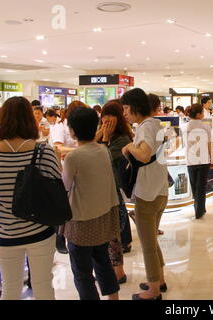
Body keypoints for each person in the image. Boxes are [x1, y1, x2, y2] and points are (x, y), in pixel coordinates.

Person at [0, 96, 61, 300]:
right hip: (40, 229)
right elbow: (57, 185)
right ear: (30, 119)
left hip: (6, 232)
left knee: (10, 288)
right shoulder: (44, 152)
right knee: (44, 285)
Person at [62, 106, 120, 300]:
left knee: (82, 273)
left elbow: (65, 186)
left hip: (81, 221)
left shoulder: (73, 157)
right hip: (102, 216)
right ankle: (114, 297)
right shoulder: (103, 150)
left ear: (72, 131)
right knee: (103, 262)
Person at [121, 88, 168, 300]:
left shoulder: (146, 126)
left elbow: (144, 154)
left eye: (126, 108)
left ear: (135, 107)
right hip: (159, 189)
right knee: (151, 240)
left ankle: (153, 289)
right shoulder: (155, 124)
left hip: (147, 193)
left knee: (147, 243)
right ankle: (159, 279)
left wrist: (130, 146)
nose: (124, 113)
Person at [95, 100, 134, 283]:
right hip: (101, 189)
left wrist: (104, 138)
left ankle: (118, 272)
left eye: (111, 116)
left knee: (112, 234)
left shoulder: (122, 139)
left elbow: (104, 160)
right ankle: (114, 269)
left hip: (112, 188)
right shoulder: (103, 134)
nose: (107, 120)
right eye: (104, 116)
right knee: (109, 233)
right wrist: (101, 134)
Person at [51, 101, 86, 254]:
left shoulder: (78, 127)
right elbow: (57, 148)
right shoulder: (61, 127)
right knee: (63, 203)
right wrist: (79, 149)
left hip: (79, 168)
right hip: (64, 168)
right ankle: (59, 238)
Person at [186, 104, 213, 219]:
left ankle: (198, 208)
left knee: (194, 187)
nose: (203, 115)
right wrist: (212, 159)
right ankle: (200, 210)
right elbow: (209, 145)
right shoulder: (206, 127)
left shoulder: (185, 127)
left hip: (191, 161)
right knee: (201, 187)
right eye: (202, 113)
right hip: (203, 160)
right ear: (198, 115)